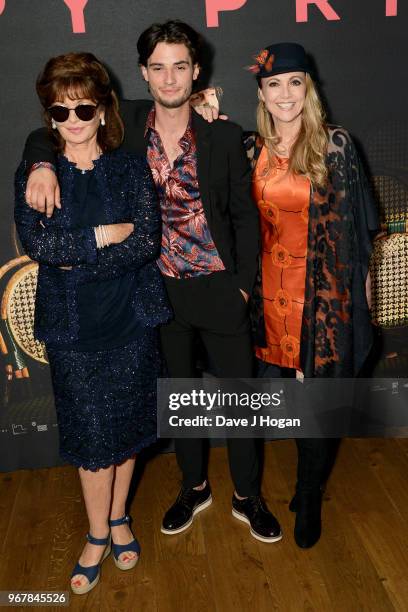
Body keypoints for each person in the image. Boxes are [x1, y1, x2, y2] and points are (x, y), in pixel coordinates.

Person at [21, 22, 282, 544]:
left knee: (239, 401)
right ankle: (194, 486)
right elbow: (53, 125)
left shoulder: (223, 134)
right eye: (158, 67)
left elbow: (245, 218)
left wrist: (243, 287)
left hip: (217, 286)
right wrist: (39, 162)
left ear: (196, 72)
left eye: (180, 66)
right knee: (179, 398)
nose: (169, 78)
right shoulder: (125, 124)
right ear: (143, 73)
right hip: (157, 291)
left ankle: (247, 494)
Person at [14, 52, 171, 594]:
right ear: (49, 118)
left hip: (132, 321)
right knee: (89, 437)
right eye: (60, 112)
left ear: (103, 111)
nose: (73, 121)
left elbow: (147, 242)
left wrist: (75, 257)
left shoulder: (130, 168)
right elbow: (41, 245)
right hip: (73, 331)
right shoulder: (36, 173)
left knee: (127, 432)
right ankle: (97, 533)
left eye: (84, 109)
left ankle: (121, 517)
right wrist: (104, 237)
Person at [244, 43, 378, 547]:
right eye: (274, 84)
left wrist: (358, 302)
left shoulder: (335, 146)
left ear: (309, 89)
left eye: (294, 83)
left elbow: (360, 233)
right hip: (267, 296)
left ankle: (307, 494)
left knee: (316, 400)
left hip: (321, 297)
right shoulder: (249, 149)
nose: (285, 94)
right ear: (262, 91)